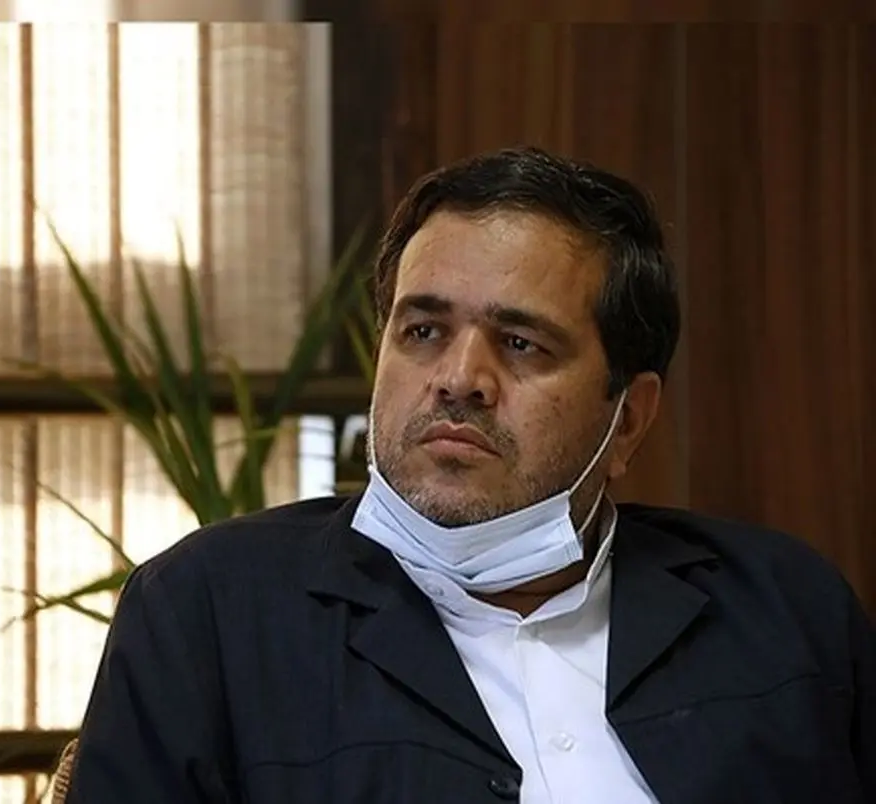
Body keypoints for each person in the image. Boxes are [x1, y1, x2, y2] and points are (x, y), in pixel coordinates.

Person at [65, 147, 876, 803]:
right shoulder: (210, 610)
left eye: (521, 344)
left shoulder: (783, 610)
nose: (459, 379)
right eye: (423, 331)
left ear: (627, 418)